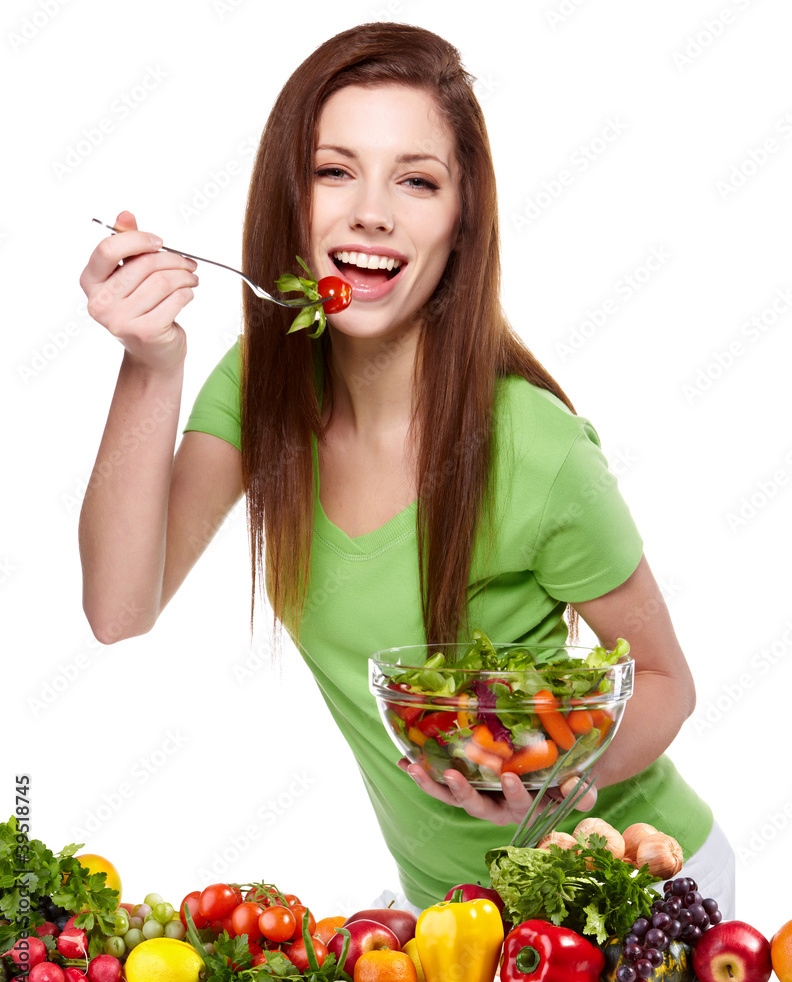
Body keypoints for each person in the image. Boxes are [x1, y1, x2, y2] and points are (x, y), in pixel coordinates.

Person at [78, 22, 734, 916]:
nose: (372, 213)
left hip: (638, 897)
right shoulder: (263, 390)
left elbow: (668, 684)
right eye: (334, 170)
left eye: (416, 181)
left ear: (460, 224)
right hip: (454, 921)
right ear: (290, 200)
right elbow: (119, 608)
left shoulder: (534, 447)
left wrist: (546, 773)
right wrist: (150, 363)